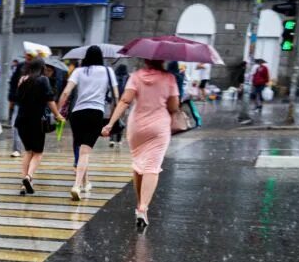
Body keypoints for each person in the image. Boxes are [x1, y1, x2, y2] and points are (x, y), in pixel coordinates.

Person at [101, 59, 179, 231]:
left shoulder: (136, 77)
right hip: (159, 126)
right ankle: (142, 207)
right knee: (152, 166)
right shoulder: (169, 78)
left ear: (146, 60)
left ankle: (139, 202)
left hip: (137, 126)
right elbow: (173, 106)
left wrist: (110, 124)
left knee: (138, 165)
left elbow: (124, 101)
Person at [57, 45, 118, 201]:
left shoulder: (78, 71)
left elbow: (65, 92)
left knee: (81, 149)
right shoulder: (108, 71)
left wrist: (57, 112)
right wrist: (112, 119)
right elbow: (117, 96)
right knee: (85, 151)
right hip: (95, 113)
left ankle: (86, 182)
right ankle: (77, 186)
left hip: (77, 114)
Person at [12, 59, 63, 195]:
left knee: (28, 151)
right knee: (38, 153)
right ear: (41, 68)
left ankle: (24, 184)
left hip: (21, 120)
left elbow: (17, 98)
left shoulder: (22, 79)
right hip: (37, 122)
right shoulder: (43, 80)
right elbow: (50, 100)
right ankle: (29, 177)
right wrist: (58, 115)